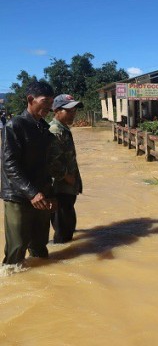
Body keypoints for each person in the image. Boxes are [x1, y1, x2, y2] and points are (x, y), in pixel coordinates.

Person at [1, 81, 56, 265]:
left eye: (51, 101)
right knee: (17, 247)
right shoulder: (14, 125)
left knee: (40, 246)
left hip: (42, 194)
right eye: (45, 101)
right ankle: (11, 280)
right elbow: (10, 165)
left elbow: (46, 164)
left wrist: (50, 193)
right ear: (30, 99)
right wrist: (32, 192)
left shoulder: (44, 128)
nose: (50, 106)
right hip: (18, 195)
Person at [48, 94, 83, 243]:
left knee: (68, 222)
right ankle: (61, 255)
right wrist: (66, 177)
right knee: (63, 228)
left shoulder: (63, 129)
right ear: (57, 110)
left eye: (74, 110)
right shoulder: (55, 130)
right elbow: (51, 161)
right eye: (68, 110)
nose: (72, 114)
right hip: (60, 187)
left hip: (68, 186)